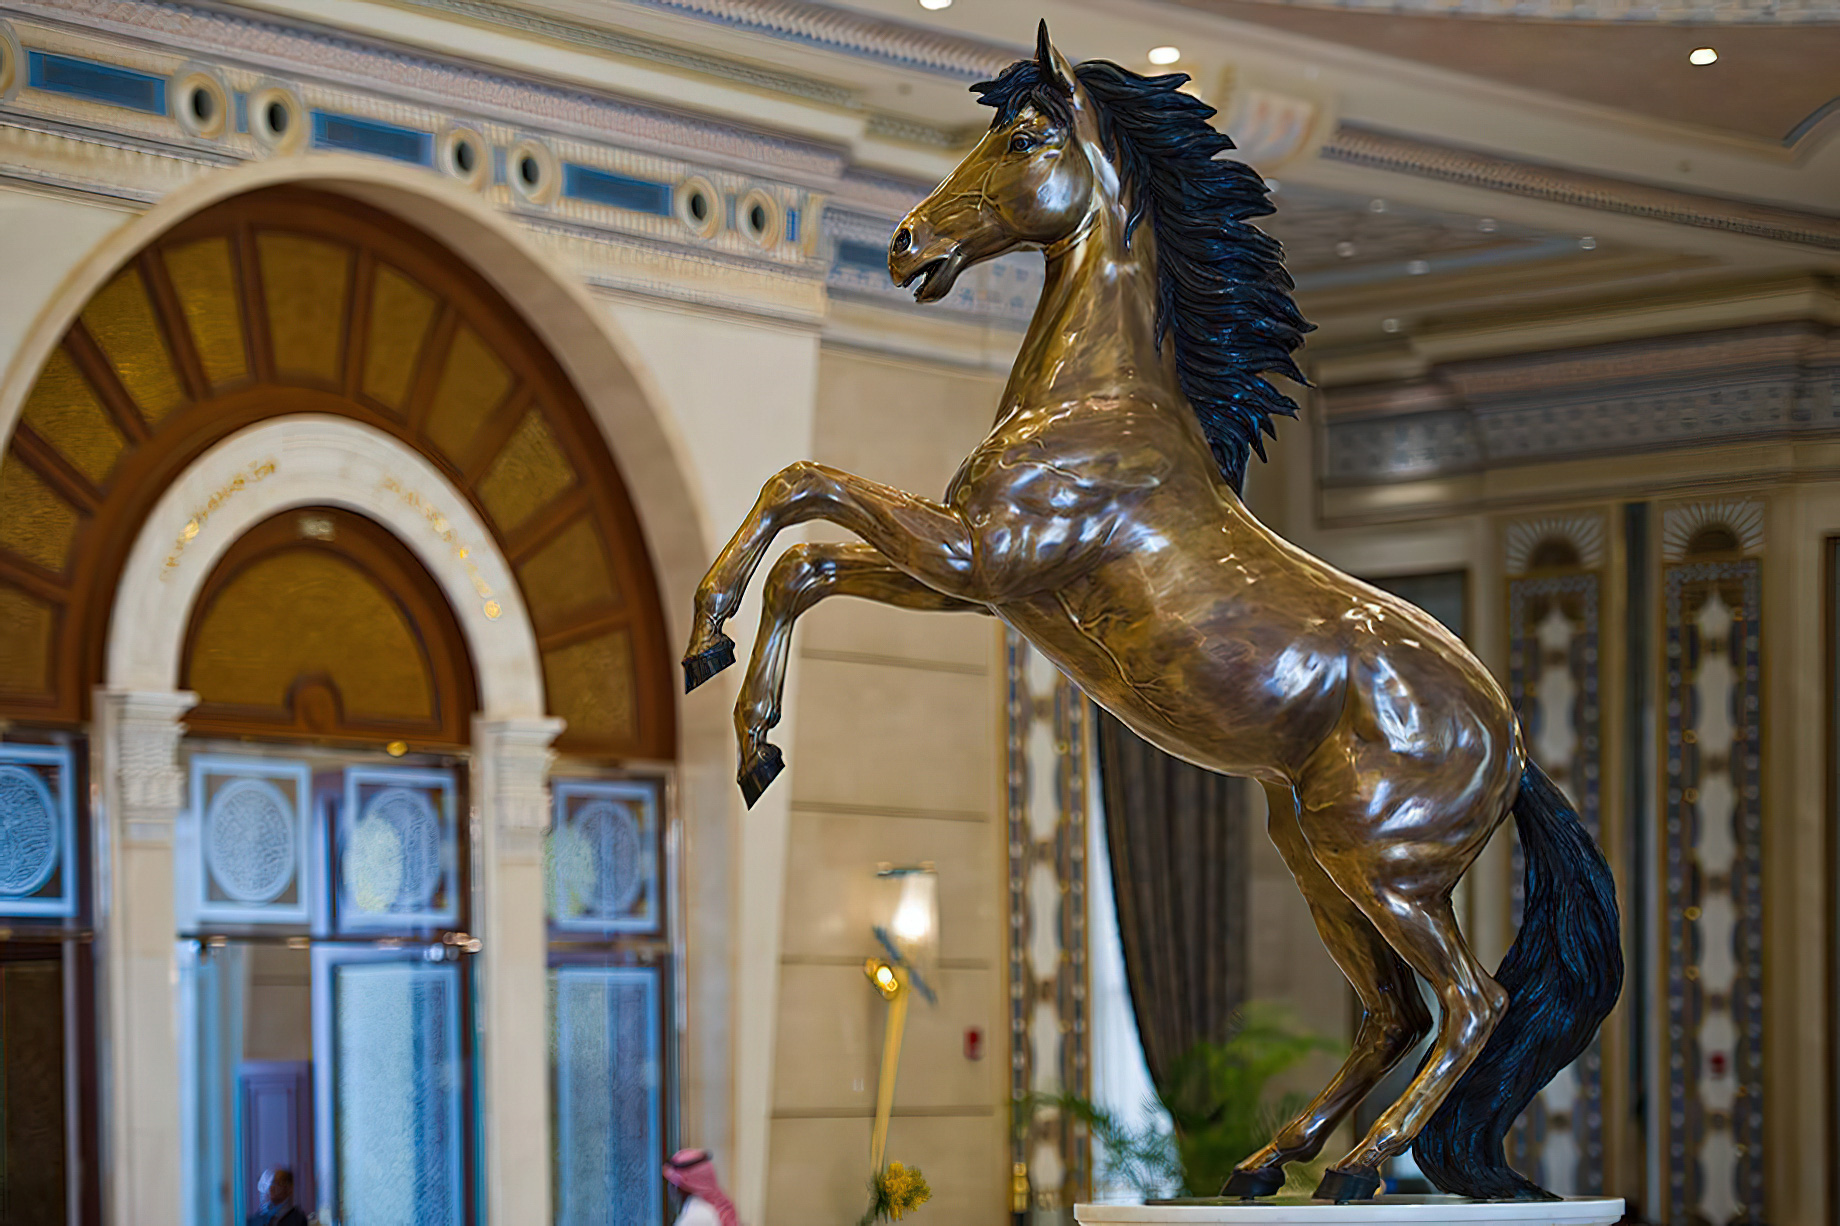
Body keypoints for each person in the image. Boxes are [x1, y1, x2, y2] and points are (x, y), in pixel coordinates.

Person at [665, 1148, 738, 1226]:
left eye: (675, 1183)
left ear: (687, 1185)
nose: (672, 1188)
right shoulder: (698, 1207)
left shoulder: (698, 1215)